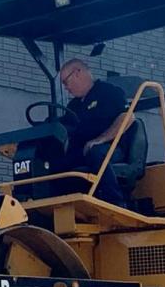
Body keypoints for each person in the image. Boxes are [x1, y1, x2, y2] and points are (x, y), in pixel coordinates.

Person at [56, 58, 131, 207]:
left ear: (77, 73)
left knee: (95, 152)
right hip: (85, 151)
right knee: (56, 161)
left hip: (112, 148)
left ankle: (115, 202)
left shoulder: (109, 92)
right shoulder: (73, 106)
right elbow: (64, 126)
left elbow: (127, 117)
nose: (66, 88)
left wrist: (100, 140)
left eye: (66, 82)